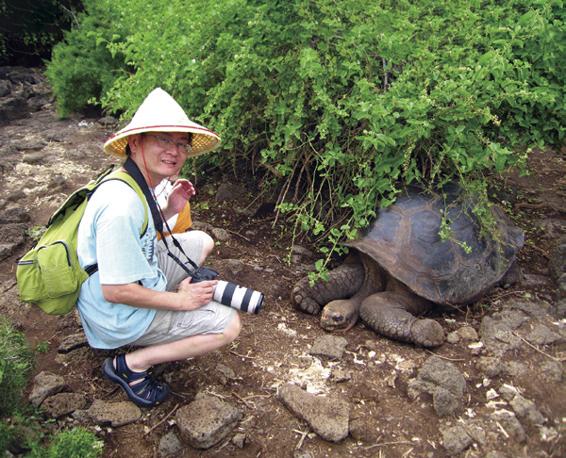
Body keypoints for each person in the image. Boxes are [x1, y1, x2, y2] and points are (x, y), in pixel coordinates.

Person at [76, 88, 241, 408]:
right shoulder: (120, 204)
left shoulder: (132, 181)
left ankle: (170, 304)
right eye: (164, 139)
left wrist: (169, 210)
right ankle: (130, 367)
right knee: (229, 323)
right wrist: (179, 301)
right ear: (135, 143)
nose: (175, 151)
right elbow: (116, 290)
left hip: (132, 279)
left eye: (181, 143)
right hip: (114, 313)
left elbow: (140, 236)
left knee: (201, 240)